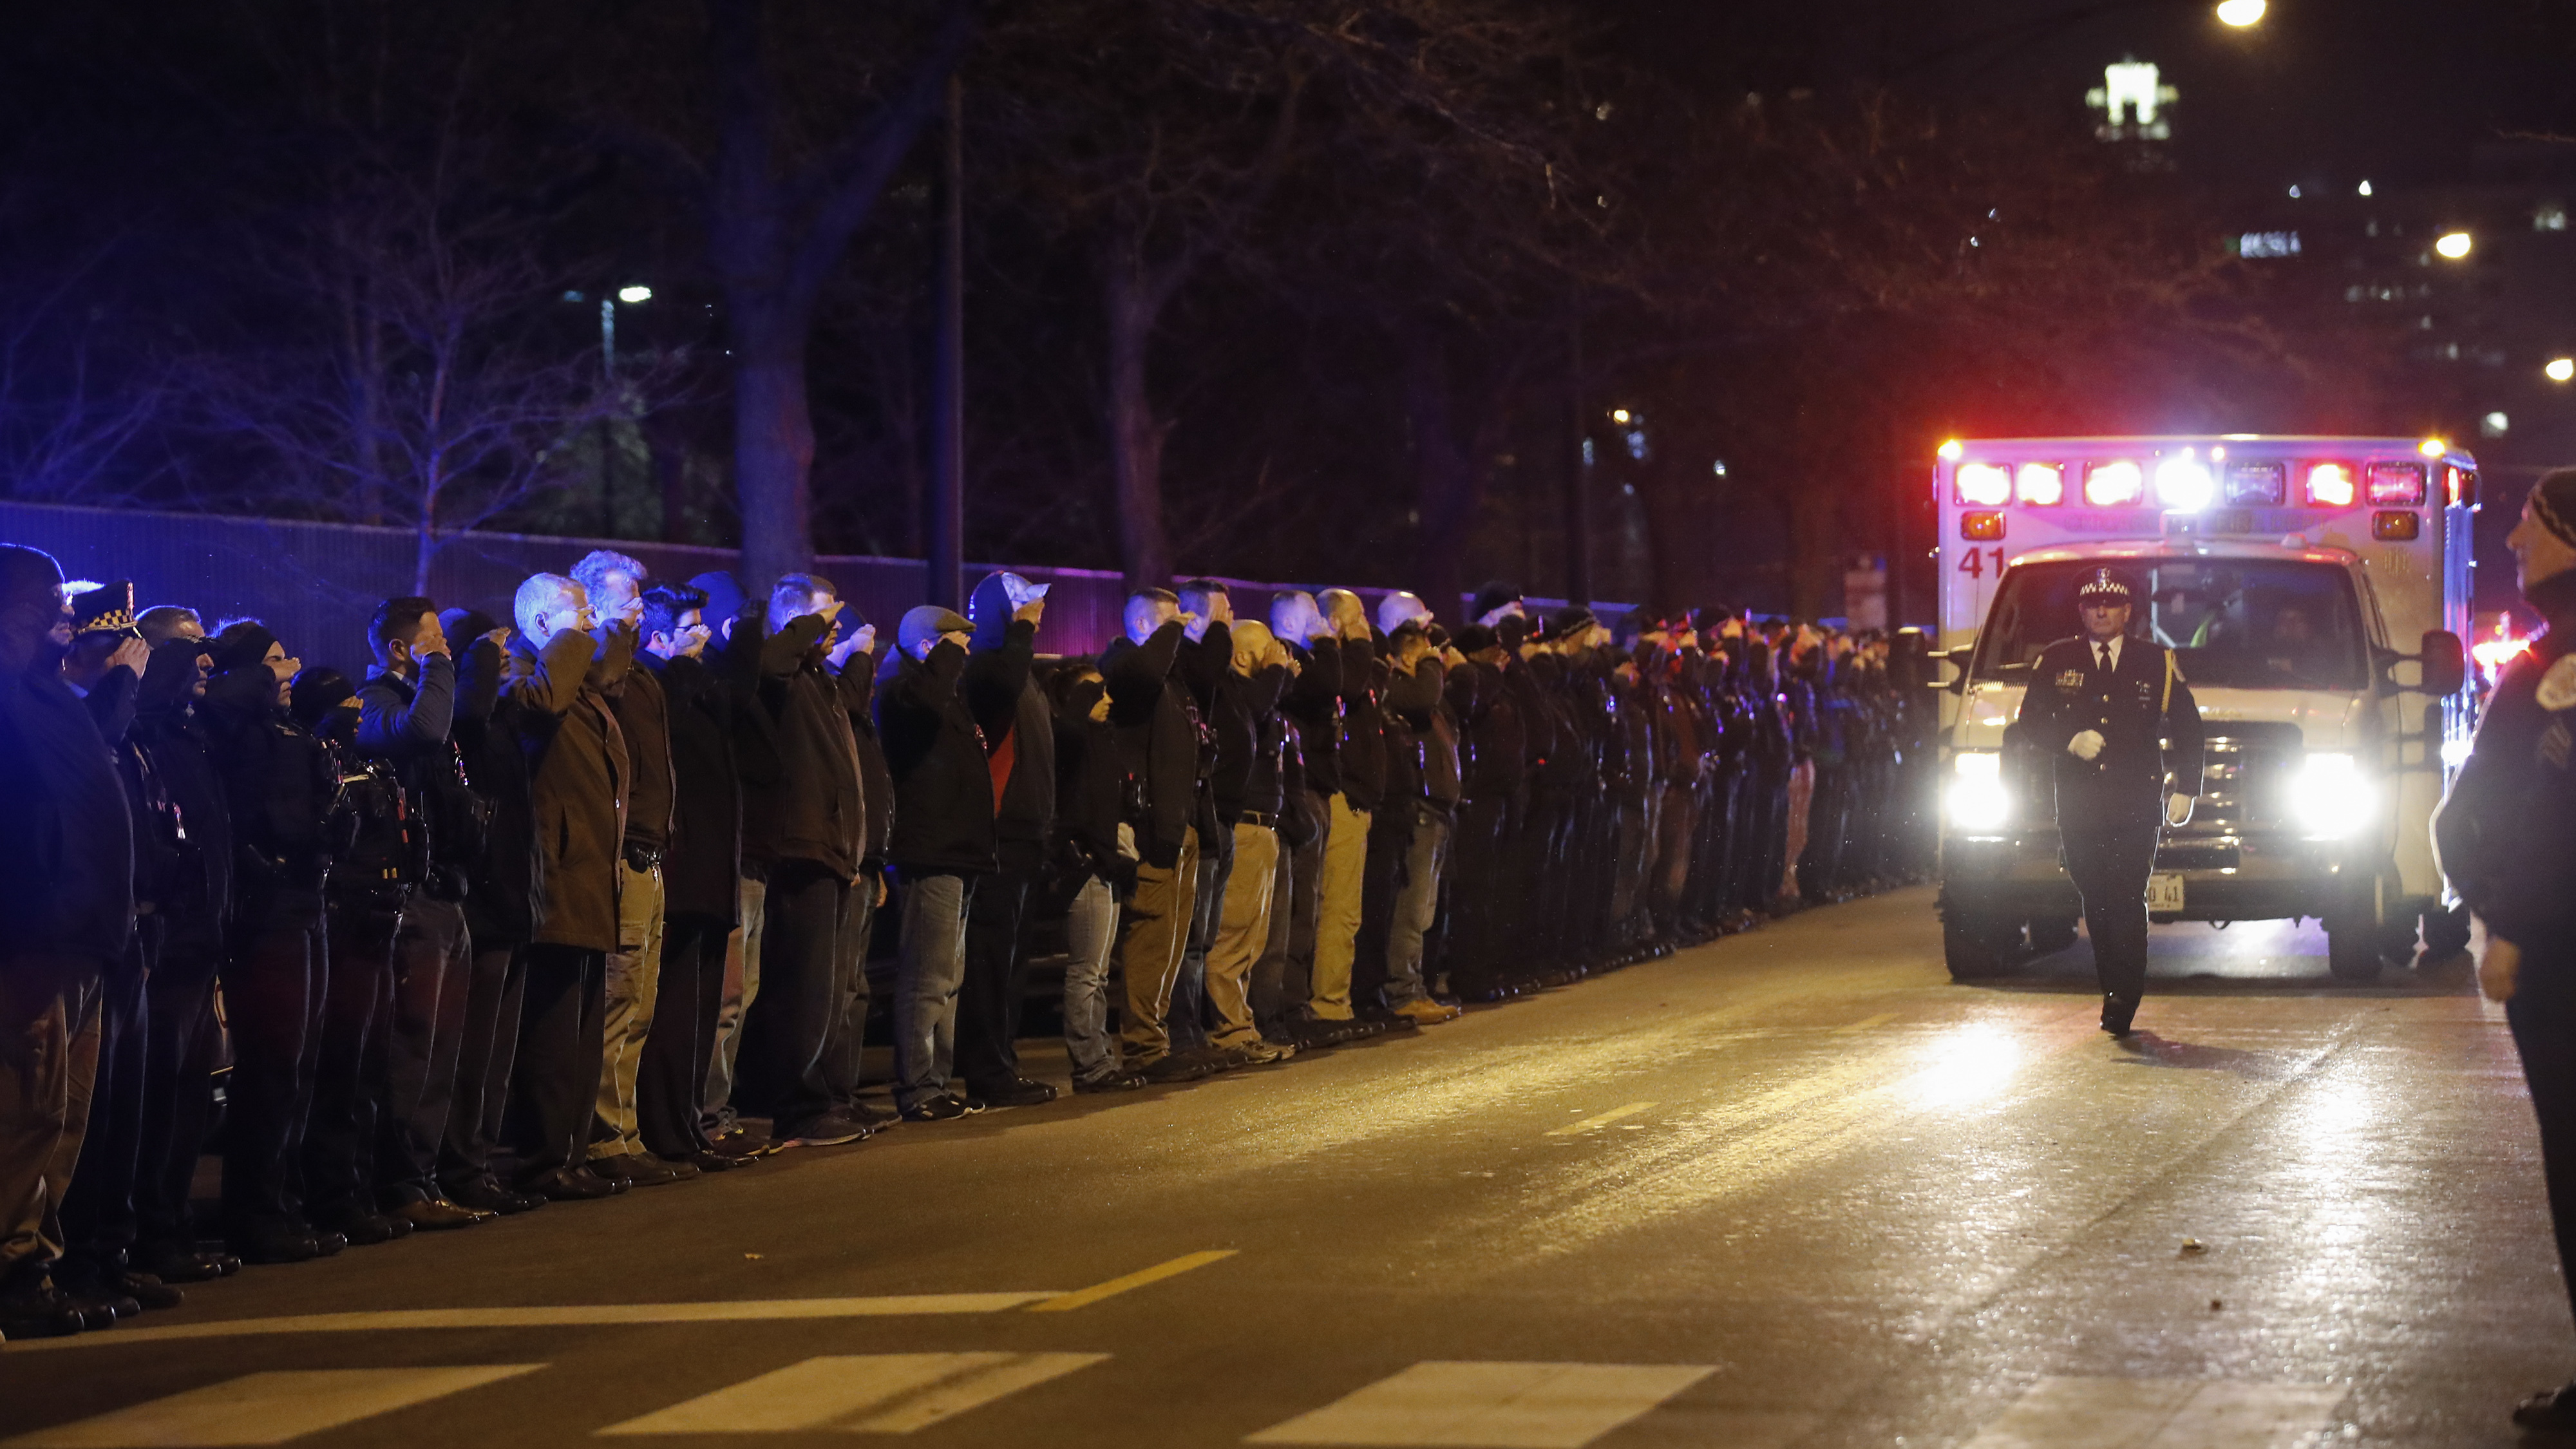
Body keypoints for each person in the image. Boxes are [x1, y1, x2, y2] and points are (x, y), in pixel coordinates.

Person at [2435, 469, 2576, 1434]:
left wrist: (2515, 922)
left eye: (2532, 523)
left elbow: (2558, 812)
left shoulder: (2568, 659)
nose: (2516, 540)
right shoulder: (2550, 652)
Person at [0, 549, 135, 1339]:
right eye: (44, 602)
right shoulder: (13, 689)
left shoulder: (50, 693)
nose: (66, 615)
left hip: (83, 937)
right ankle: (13, 1264)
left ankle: (36, 1259)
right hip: (35, 937)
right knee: (24, 1109)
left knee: (58, 1115)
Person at [2011, 567, 2204, 1036]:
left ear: (2127, 611)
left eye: (2111, 603)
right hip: (2079, 803)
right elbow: (2030, 719)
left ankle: (2124, 996)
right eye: (2092, 603)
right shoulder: (2058, 659)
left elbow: (2187, 724)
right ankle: (2111, 985)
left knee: (2126, 895)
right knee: (2095, 897)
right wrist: (2068, 739)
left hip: (2136, 801)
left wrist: (2187, 788)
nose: (2101, 610)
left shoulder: (2156, 661)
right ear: (2082, 610)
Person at [350, 599, 492, 1231]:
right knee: (413, 1046)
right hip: (412, 903)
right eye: (432, 642)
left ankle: (425, 1178)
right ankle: (401, 1182)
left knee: (442, 1050)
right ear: (401, 650)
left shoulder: (426, 695)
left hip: (447, 895)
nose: (446, 653)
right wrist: (437, 669)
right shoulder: (376, 701)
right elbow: (423, 731)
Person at [503, 574, 634, 1200]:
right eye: (578, 615)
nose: (589, 626)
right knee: (553, 1030)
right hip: (554, 875)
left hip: (585, 873)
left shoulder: (574, 682)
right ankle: (544, 1157)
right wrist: (568, 639)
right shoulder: (526, 678)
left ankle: (573, 1150)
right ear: (544, 625)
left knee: (581, 1028)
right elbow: (540, 706)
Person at [733, 573, 873, 1148]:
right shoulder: (783, 673)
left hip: (834, 851)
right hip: (803, 850)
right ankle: (799, 1109)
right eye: (822, 615)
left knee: (831, 990)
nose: (834, 623)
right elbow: (771, 662)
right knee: (803, 990)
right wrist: (811, 626)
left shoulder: (818, 679)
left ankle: (825, 1099)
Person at [569, 551, 684, 1189]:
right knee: (616, 1002)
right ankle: (606, 1140)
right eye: (628, 598)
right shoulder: (594, 669)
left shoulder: (642, 677)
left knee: (638, 1006)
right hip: (621, 859)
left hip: (650, 855)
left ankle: (627, 1132)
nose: (641, 608)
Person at [631, 583, 746, 1173]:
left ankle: (689, 1124)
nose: (702, 637)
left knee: (701, 1010)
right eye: (690, 629)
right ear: (658, 637)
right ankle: (664, 1131)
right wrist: (680, 667)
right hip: (680, 873)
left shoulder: (697, 686)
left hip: (710, 873)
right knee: (672, 1010)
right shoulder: (653, 682)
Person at [877, 603, 1008, 1120]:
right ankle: (916, 1087)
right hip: (929, 853)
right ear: (930, 647)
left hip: (959, 853)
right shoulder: (904, 688)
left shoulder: (945, 695)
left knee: (947, 977)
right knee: (926, 978)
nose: (968, 653)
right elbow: (922, 706)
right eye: (958, 645)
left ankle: (936, 1080)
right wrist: (942, 662)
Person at [956, 574, 1060, 1110]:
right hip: (999, 833)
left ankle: (1003, 1062)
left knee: (1013, 959)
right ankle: (986, 1070)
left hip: (1027, 833)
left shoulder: (1021, 673)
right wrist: (1019, 630)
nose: (1035, 614)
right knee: (992, 958)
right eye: (1021, 605)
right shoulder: (987, 666)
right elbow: (999, 685)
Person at [1101, 589, 1209, 1081]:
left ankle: (1159, 1037)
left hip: (1180, 824)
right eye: (1171, 624)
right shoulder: (1124, 661)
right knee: (1149, 938)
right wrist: (1171, 633)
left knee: (1170, 941)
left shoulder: (1174, 680)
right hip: (1151, 828)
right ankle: (1144, 1046)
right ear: (1144, 624)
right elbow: (1141, 676)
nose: (1183, 630)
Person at [1046, 664, 1141, 1092]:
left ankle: (1101, 1058)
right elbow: (1068, 733)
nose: (1108, 699)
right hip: (1083, 867)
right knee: (1086, 972)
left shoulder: (1102, 741)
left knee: (1100, 974)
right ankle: (1089, 1065)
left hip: (1106, 865)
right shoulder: (1069, 740)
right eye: (1097, 692)